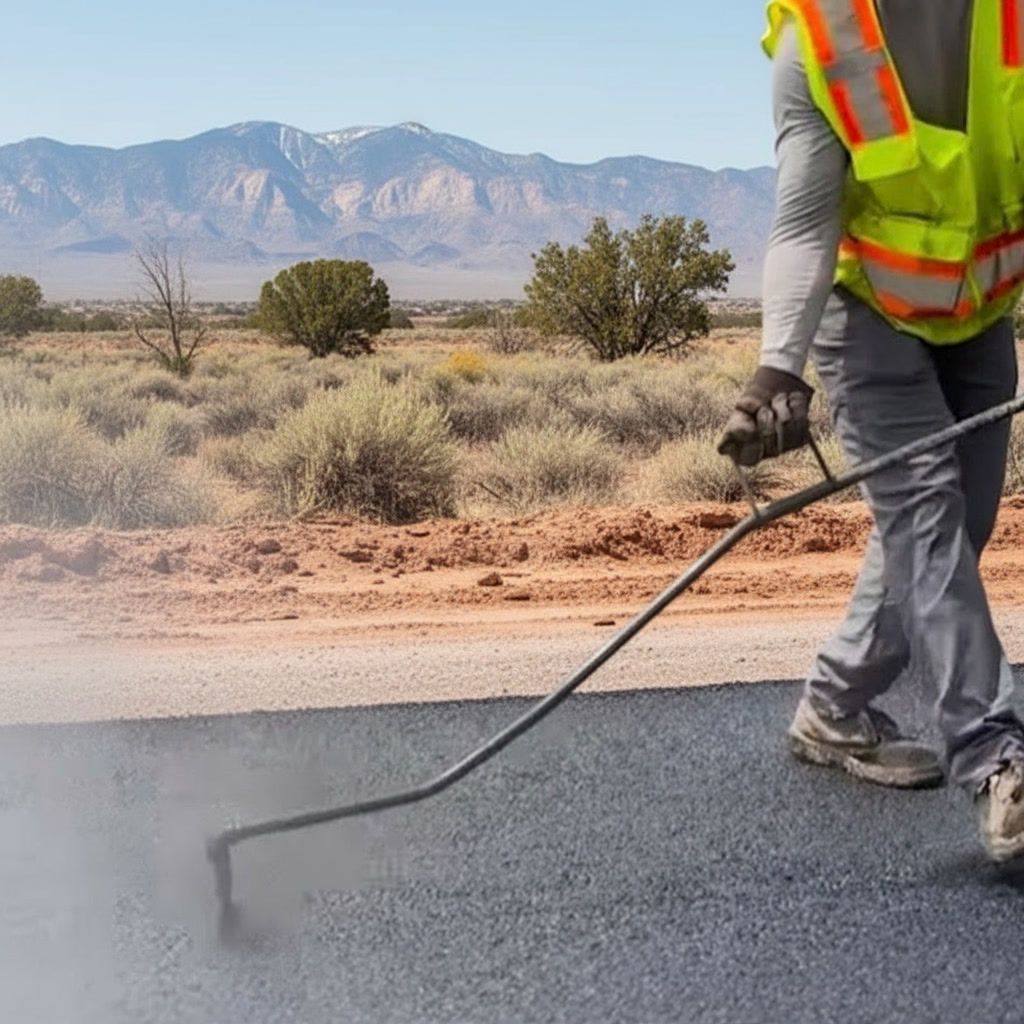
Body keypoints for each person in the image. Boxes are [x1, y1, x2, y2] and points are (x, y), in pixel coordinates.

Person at [717, 0, 1024, 862]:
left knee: (958, 524)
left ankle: (831, 706)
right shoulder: (820, 40)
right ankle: (998, 760)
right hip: (867, 318)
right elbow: (807, 219)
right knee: (928, 522)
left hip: (980, 311)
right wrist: (780, 366)